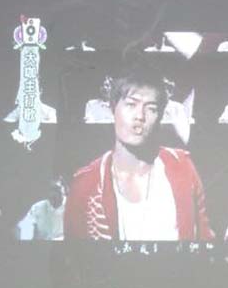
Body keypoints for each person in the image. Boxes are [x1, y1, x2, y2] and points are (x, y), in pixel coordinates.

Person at [65, 70, 214, 241]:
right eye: (131, 104)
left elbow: (204, 238)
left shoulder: (182, 166)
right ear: (113, 108)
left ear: (160, 116)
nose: (140, 116)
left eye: (151, 108)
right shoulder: (85, 183)